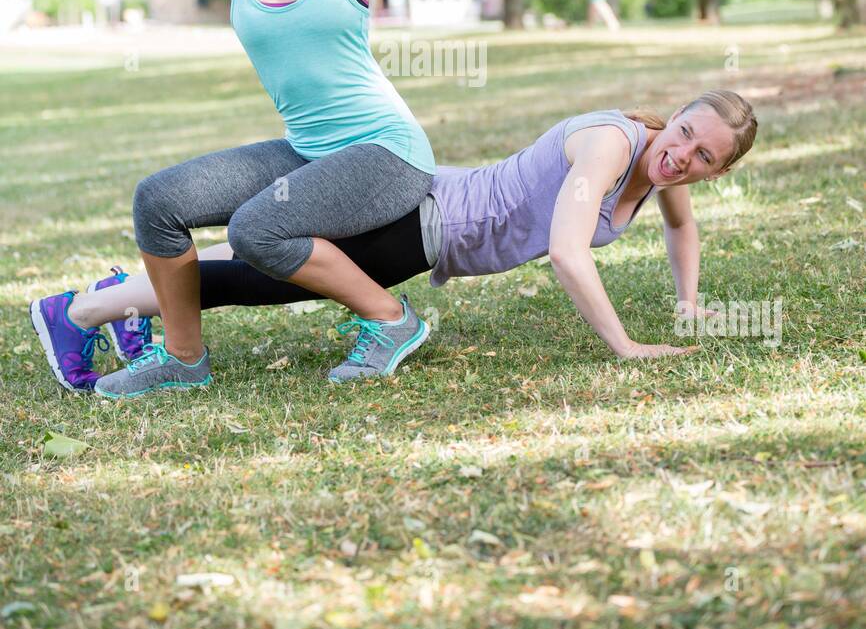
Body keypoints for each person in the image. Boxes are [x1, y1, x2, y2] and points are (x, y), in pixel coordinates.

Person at [35, 0, 498, 398]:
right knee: (158, 201)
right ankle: (182, 358)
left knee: (257, 228)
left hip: (386, 153)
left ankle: (391, 320)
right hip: (308, 152)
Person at [31, 90, 757, 388]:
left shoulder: (661, 172)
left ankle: (109, 302)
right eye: (688, 132)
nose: (683, 156)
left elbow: (681, 223)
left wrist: (688, 301)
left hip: (422, 226)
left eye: (704, 158)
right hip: (418, 221)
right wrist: (626, 347)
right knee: (259, 275)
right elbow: (568, 251)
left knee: (261, 254)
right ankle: (84, 313)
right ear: (677, 113)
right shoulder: (611, 146)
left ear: (716, 170)